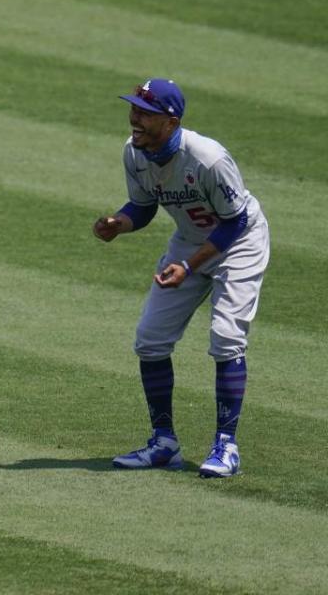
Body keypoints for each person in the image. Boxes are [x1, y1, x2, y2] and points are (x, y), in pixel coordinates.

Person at [93, 78, 269, 478]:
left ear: (170, 122)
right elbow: (143, 206)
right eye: (134, 108)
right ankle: (163, 443)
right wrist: (118, 223)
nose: (134, 118)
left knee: (226, 338)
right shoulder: (134, 152)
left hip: (239, 243)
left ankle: (226, 446)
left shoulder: (207, 158)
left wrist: (190, 266)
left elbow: (234, 221)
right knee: (150, 340)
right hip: (189, 243)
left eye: (144, 112)